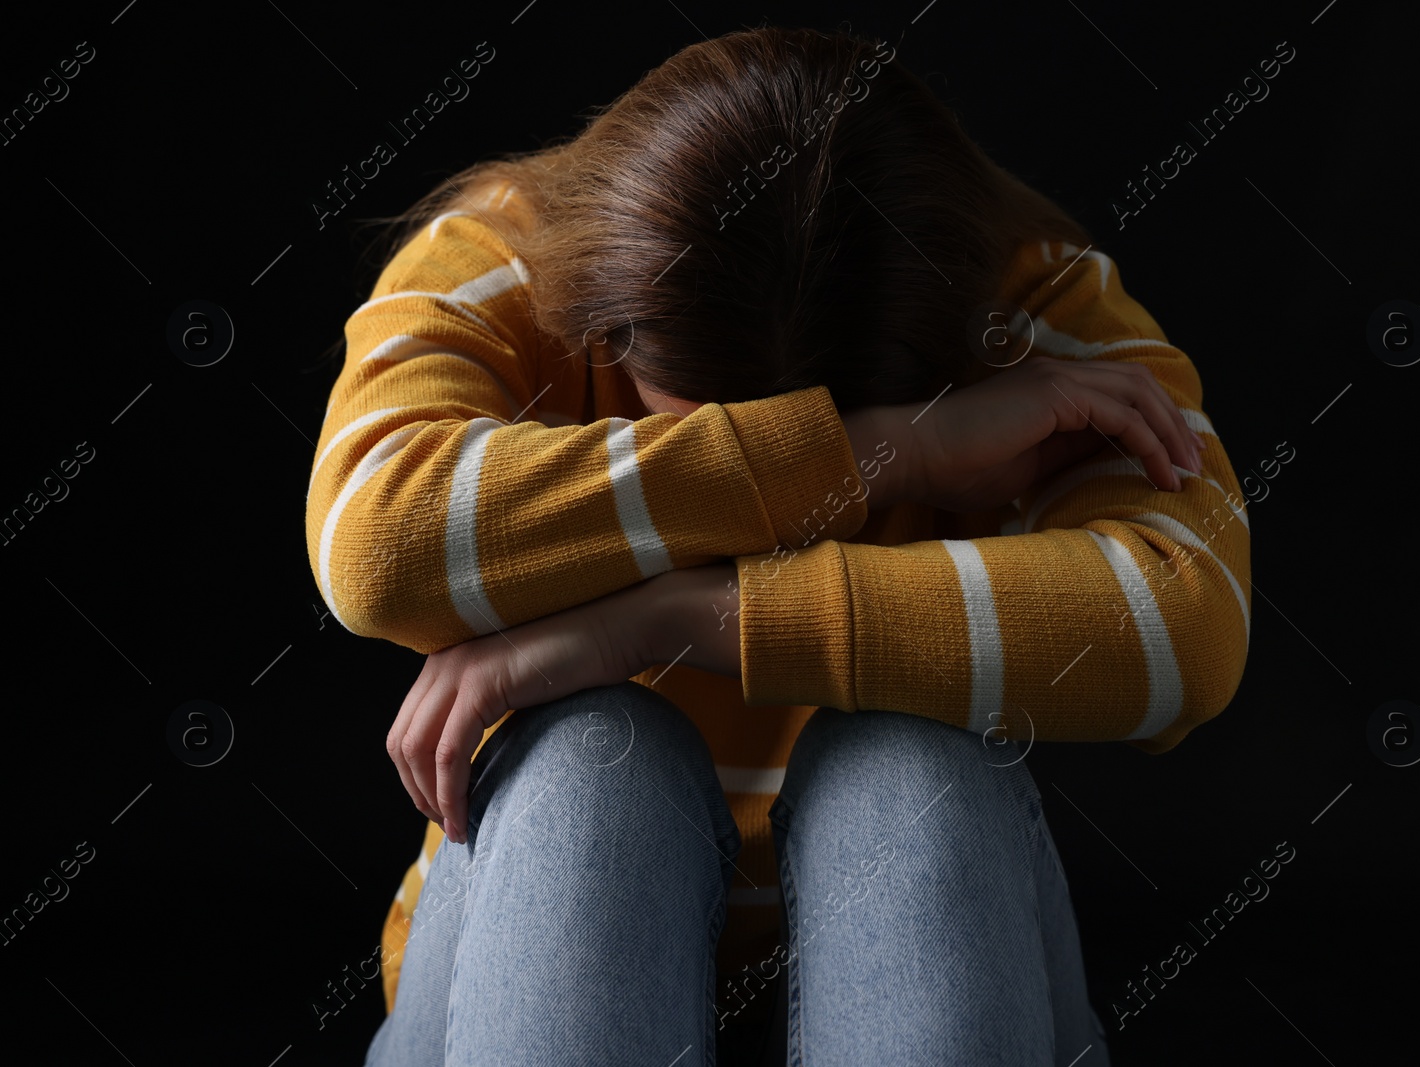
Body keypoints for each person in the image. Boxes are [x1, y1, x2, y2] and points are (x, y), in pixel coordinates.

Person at [304, 25, 1252, 1067]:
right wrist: (886, 450)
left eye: (841, 411)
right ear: (606, 324)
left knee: (903, 759)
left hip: (903, 975)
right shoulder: (510, 259)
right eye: (696, 423)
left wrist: (661, 618)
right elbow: (375, 549)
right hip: (528, 997)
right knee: (588, 756)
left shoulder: (1019, 302)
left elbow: (1188, 629)